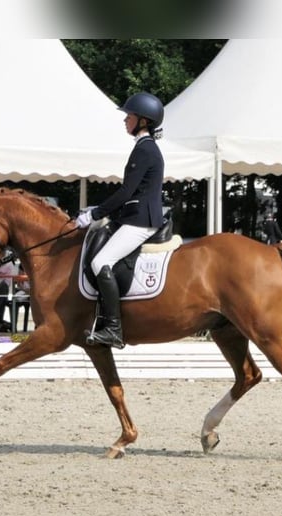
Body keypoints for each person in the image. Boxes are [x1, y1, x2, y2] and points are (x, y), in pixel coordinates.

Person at [74, 91, 165, 349]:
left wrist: (94, 214)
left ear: (143, 121)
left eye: (130, 116)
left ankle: (113, 328)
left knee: (100, 261)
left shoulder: (145, 150)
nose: (125, 120)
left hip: (141, 220)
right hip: (134, 216)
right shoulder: (143, 147)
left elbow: (126, 192)